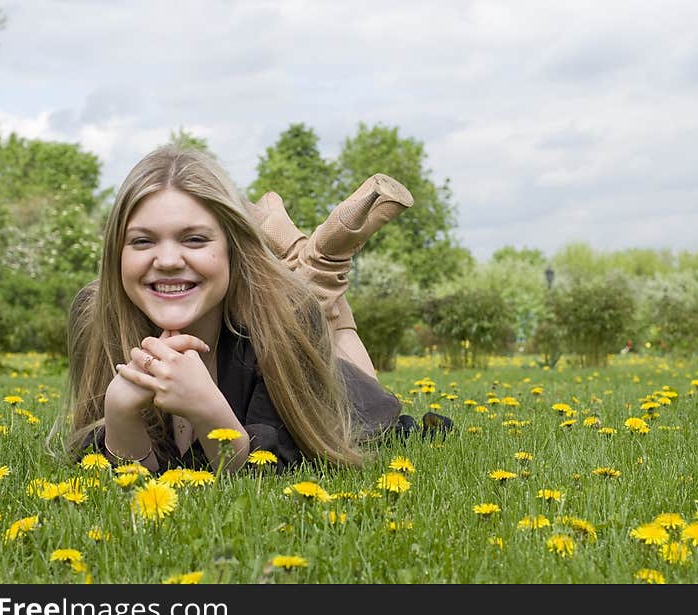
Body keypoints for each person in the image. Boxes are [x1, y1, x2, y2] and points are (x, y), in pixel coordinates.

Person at [50, 144, 444, 475]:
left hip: (323, 381)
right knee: (295, 299)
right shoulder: (96, 313)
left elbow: (266, 473)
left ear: (232, 250)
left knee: (364, 391)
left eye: (195, 239)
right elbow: (124, 480)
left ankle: (325, 267)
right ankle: (301, 256)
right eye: (141, 242)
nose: (167, 260)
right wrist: (120, 417)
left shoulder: (286, 317)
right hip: (269, 307)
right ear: (115, 255)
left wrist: (207, 410)